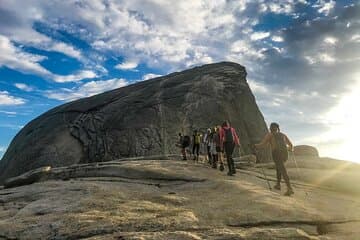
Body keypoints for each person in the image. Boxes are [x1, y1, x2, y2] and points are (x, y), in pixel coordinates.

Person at [255, 122, 294, 196]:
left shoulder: (270, 135)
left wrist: (255, 146)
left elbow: (262, 145)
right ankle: (278, 185)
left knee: (282, 169)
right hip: (285, 154)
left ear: (270, 128)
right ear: (277, 128)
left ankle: (289, 188)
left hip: (276, 154)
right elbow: (291, 145)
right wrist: (290, 150)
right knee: (278, 168)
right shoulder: (283, 135)